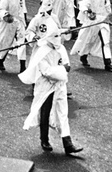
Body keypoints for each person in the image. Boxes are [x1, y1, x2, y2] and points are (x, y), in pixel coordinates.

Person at [19, 24, 83, 155]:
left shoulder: (61, 48)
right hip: (46, 86)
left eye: (59, 36)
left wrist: (63, 70)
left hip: (60, 85)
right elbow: (47, 72)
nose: (57, 39)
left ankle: (68, 143)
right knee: (45, 112)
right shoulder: (42, 51)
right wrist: (62, 70)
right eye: (55, 36)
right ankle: (44, 139)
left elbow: (67, 66)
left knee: (62, 112)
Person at [70, 0, 112, 71]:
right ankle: (83, 56)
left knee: (105, 41)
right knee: (89, 40)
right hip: (93, 21)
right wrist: (87, 12)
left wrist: (109, 16)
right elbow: (83, 5)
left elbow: (107, 7)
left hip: (103, 20)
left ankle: (108, 63)